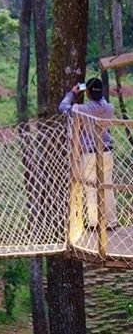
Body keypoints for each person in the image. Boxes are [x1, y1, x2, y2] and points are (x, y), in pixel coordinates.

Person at [58, 77, 119, 231]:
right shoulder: (109, 108)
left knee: (91, 187)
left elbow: (63, 107)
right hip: (106, 151)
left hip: (90, 153)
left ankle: (95, 222)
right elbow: (101, 101)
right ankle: (111, 221)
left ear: (88, 93)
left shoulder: (82, 109)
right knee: (107, 186)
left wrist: (73, 93)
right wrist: (94, 92)